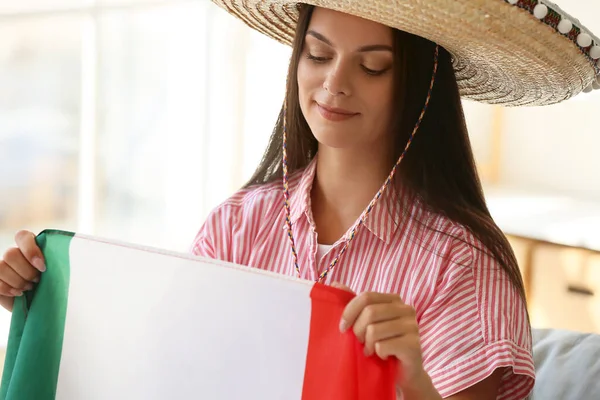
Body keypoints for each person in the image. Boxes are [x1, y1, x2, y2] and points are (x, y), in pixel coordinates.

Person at [1, 0, 599, 398]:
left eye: (372, 66)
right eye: (318, 54)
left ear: (420, 86)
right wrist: (43, 297)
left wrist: (415, 383)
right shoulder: (238, 226)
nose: (334, 83)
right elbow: (158, 371)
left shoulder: (462, 265)